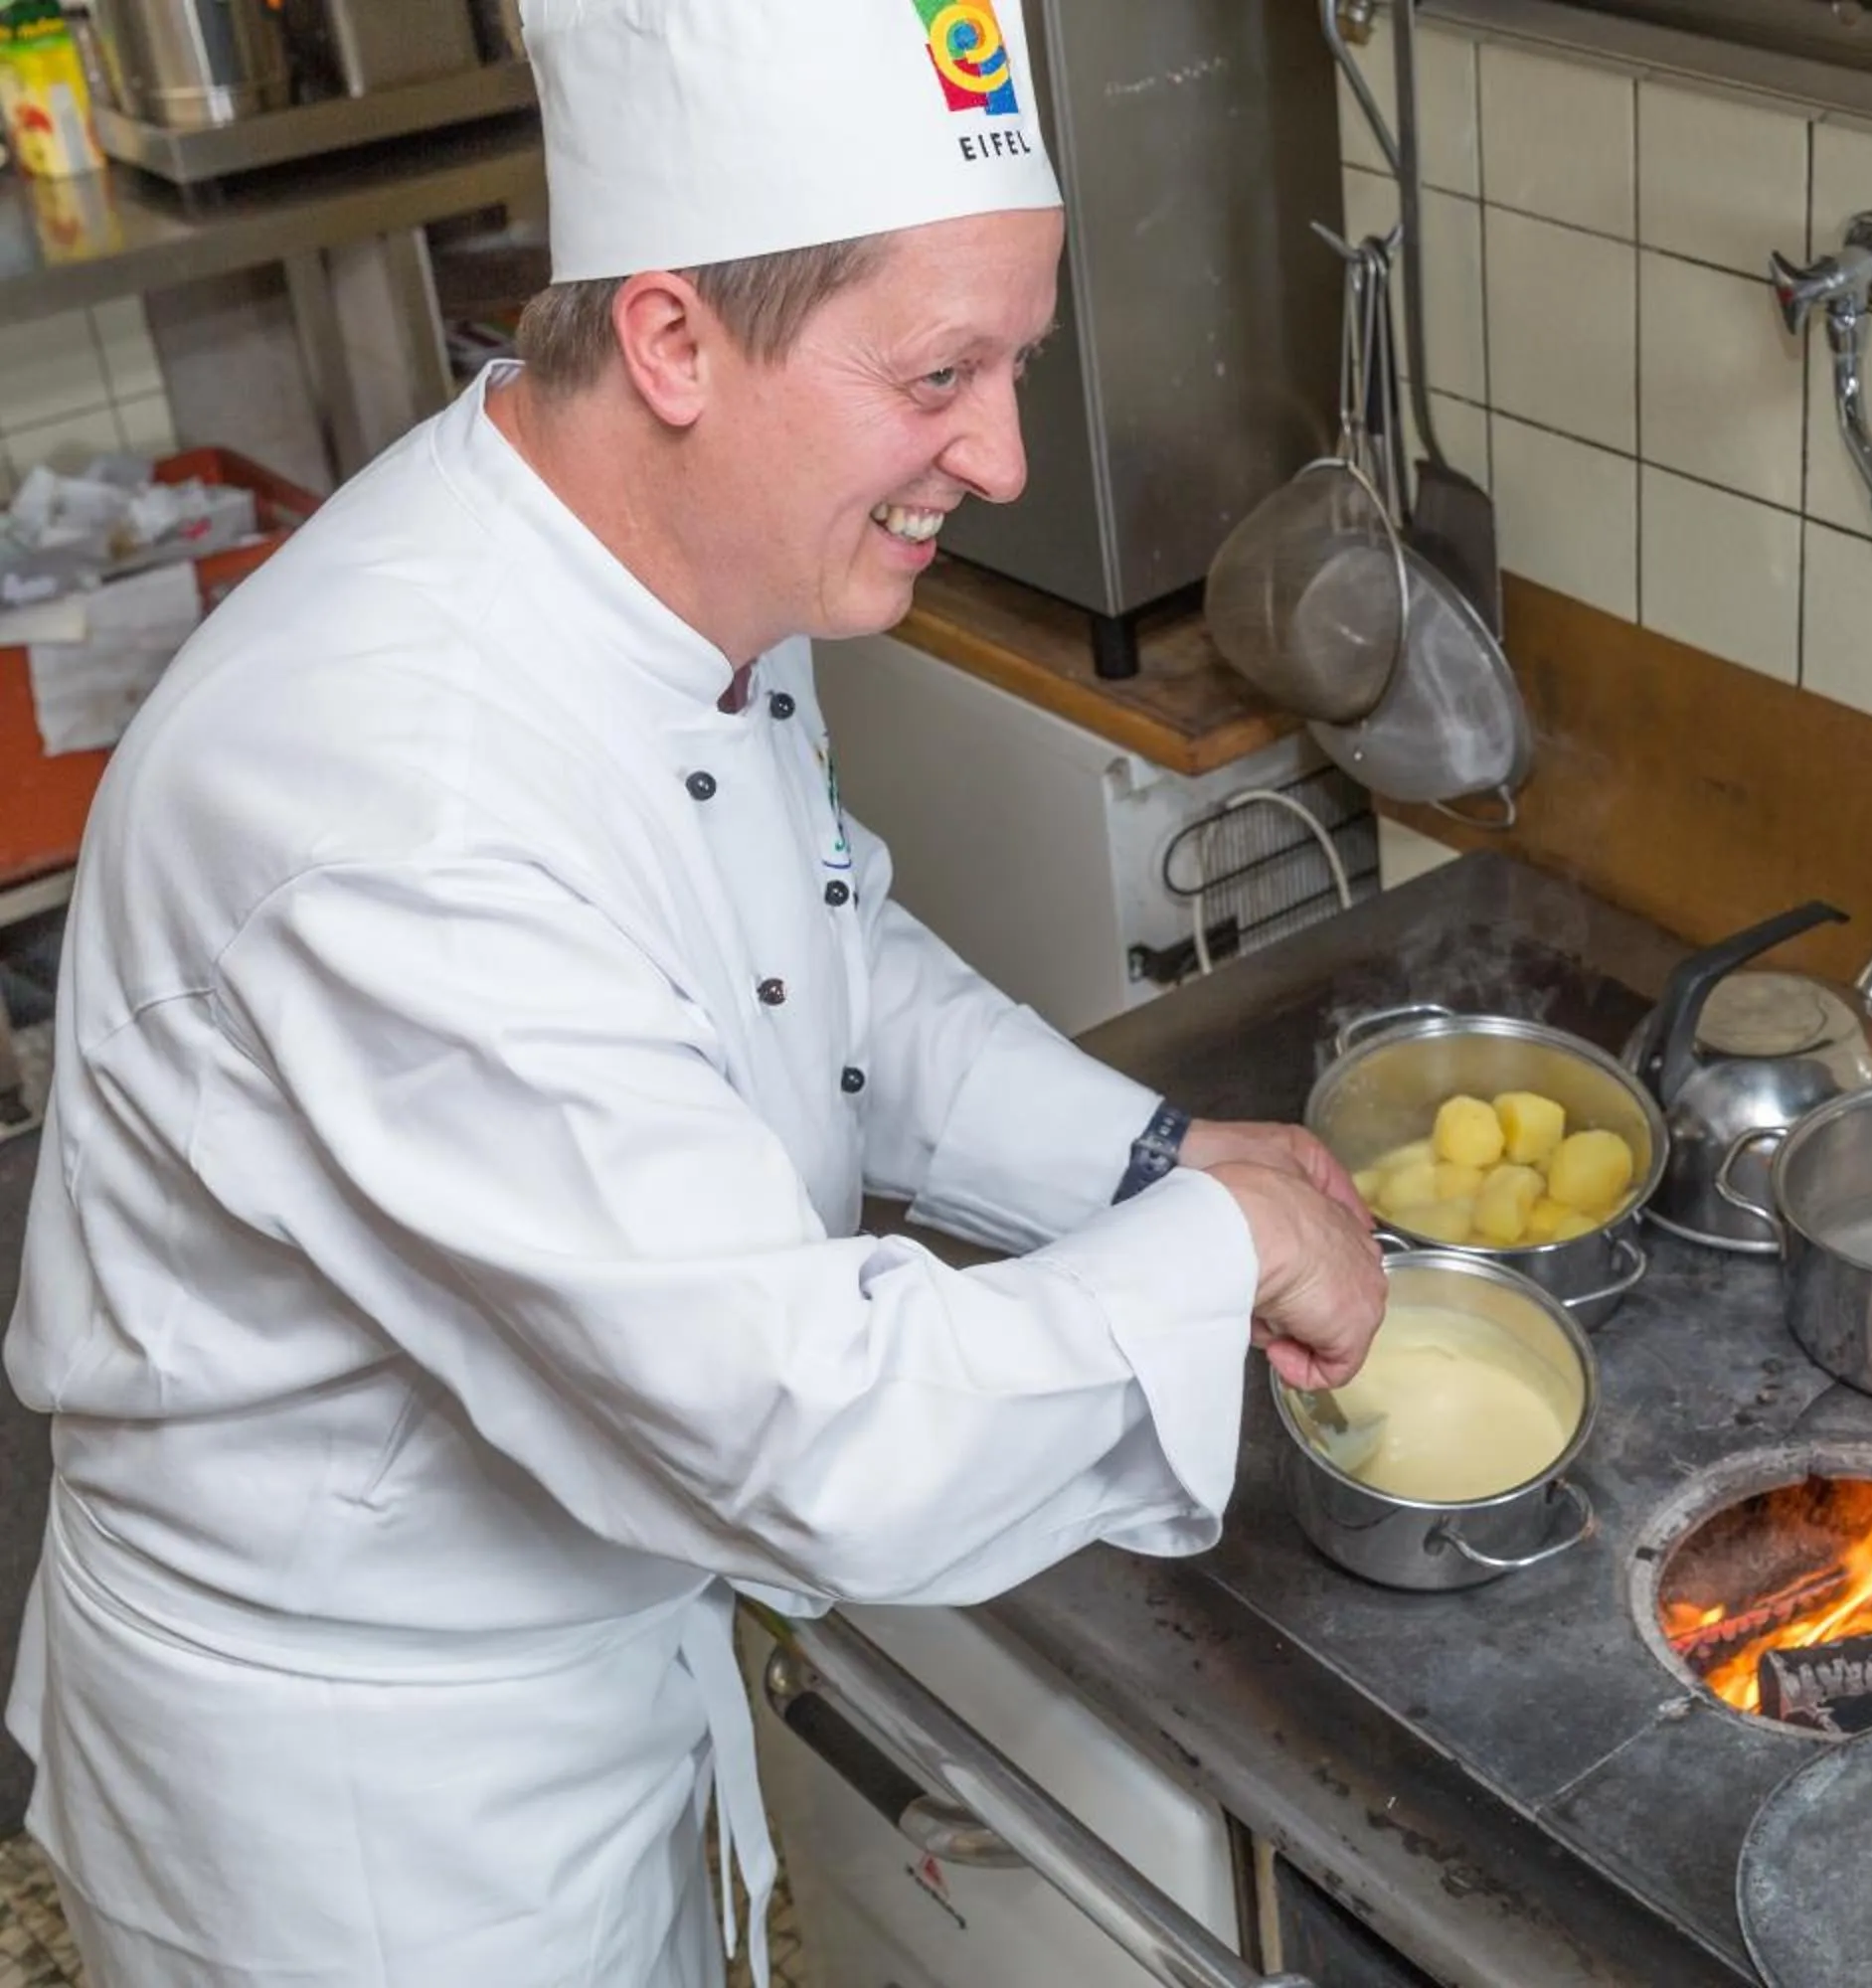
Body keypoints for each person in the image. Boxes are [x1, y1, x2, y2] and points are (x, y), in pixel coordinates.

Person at [2, 2, 1387, 1981]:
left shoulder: (672, 557)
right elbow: (805, 1426)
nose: (996, 454)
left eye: (1018, 359)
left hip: (579, 1636)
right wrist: (1222, 1243)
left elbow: (818, 960)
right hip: (368, 1807)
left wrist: (1151, 1148)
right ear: (669, 339)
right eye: (939, 372)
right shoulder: (396, 793)